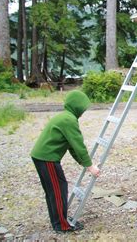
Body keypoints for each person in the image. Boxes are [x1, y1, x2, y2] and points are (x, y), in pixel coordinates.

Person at [30, 90, 100, 233]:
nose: (83, 112)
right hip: (47, 158)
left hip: (41, 157)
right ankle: (61, 225)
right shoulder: (69, 120)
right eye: (83, 108)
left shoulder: (65, 117)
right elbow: (79, 145)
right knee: (57, 191)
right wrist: (90, 165)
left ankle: (58, 220)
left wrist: (84, 164)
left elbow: (72, 147)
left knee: (53, 190)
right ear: (76, 106)